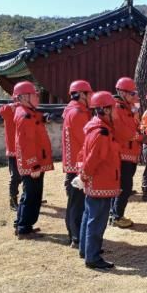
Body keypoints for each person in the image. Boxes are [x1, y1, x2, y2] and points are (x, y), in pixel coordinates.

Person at [78, 91, 121, 269]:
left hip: (97, 181)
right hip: (101, 182)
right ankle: (92, 257)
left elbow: (85, 154)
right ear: (105, 110)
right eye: (114, 108)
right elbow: (93, 159)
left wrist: (83, 176)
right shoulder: (101, 132)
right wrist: (84, 176)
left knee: (89, 216)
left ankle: (86, 250)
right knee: (97, 220)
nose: (116, 111)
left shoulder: (96, 128)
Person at [12, 81, 54, 239]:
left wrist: (43, 118)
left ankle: (22, 224)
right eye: (33, 95)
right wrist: (34, 165)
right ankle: (24, 228)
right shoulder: (25, 116)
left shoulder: (28, 112)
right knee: (31, 196)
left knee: (30, 195)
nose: (37, 97)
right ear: (23, 97)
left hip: (34, 162)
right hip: (33, 164)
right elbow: (26, 144)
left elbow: (35, 121)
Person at [110, 77, 147, 228]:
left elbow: (134, 126)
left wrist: (140, 129)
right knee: (124, 187)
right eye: (132, 93)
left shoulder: (128, 108)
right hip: (122, 154)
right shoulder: (117, 108)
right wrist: (140, 137)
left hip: (130, 153)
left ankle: (114, 214)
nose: (134, 96)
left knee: (122, 186)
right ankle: (117, 216)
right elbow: (122, 131)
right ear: (122, 93)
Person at [62, 80, 93, 248]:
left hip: (75, 162)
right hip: (77, 164)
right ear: (81, 94)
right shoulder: (77, 113)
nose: (91, 96)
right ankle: (76, 236)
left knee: (76, 201)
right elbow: (86, 140)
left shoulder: (74, 110)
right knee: (77, 203)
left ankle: (75, 234)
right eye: (89, 93)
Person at [0, 96, 22, 211]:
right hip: (13, 150)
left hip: (27, 149)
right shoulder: (9, 109)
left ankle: (28, 197)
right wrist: (16, 105)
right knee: (16, 176)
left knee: (29, 175)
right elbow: (2, 110)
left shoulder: (28, 110)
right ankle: (13, 201)